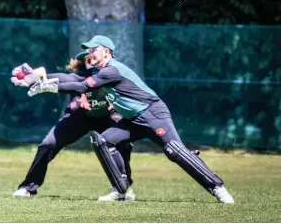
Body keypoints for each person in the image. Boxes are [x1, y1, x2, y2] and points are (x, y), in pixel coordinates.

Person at [28, 35, 234, 203]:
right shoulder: (101, 70)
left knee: (174, 151)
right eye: (89, 50)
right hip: (132, 119)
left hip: (153, 114)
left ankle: (217, 187)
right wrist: (42, 79)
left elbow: (83, 86)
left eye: (94, 49)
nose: (90, 53)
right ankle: (121, 190)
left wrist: (47, 86)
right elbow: (74, 80)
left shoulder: (112, 70)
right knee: (105, 140)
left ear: (106, 52)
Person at [10, 52, 136, 201]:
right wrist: (33, 76)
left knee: (122, 145)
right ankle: (28, 187)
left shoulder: (112, 75)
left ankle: (123, 189)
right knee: (47, 144)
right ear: (84, 63)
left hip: (106, 119)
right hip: (78, 119)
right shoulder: (77, 77)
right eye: (88, 58)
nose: (92, 60)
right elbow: (56, 78)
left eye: (94, 55)